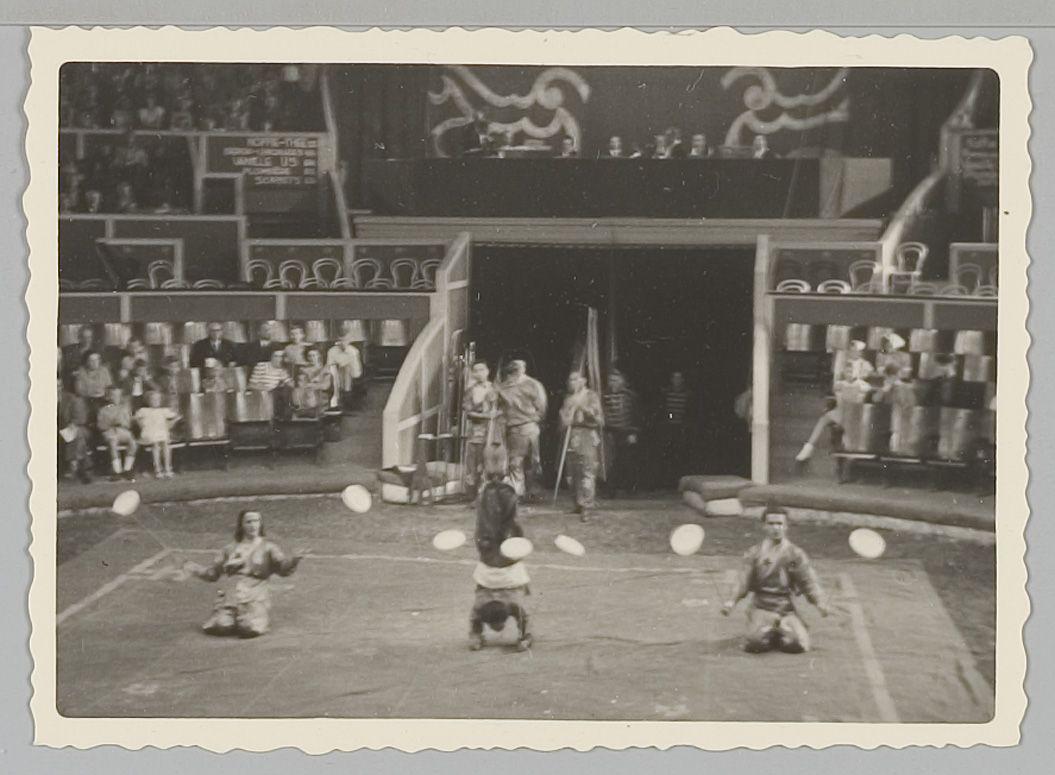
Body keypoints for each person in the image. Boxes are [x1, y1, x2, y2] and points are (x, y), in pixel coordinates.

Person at [183, 510, 306, 638]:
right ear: (241, 525)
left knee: (248, 628)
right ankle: (230, 618)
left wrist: (294, 560)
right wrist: (194, 569)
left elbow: (283, 569)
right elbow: (213, 573)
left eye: (256, 521)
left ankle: (250, 619)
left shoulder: (269, 548)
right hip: (231, 598)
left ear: (260, 524)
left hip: (255, 598)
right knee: (221, 626)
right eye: (248, 522)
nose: (253, 525)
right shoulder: (229, 549)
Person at [721, 506, 829, 653]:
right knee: (755, 644)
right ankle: (768, 629)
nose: (776, 528)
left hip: (786, 608)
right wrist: (731, 601)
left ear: (786, 526)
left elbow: (808, 581)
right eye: (771, 524)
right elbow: (742, 581)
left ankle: (784, 628)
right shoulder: (754, 553)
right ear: (764, 526)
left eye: (779, 523)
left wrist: (820, 602)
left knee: (796, 645)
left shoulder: (796, 554)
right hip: (761, 607)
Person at [468, 445, 532, 652]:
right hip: (494, 561)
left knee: (517, 607)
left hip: (500, 562)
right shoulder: (487, 494)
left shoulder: (499, 493)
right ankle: (476, 634)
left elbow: (512, 522)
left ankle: (524, 635)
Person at [795, 340, 874, 462]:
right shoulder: (843, 373)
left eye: (856, 350)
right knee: (824, 419)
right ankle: (808, 447)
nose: (853, 352)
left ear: (860, 352)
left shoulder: (865, 369)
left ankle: (851, 454)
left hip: (855, 412)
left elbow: (867, 387)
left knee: (851, 429)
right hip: (842, 409)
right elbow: (838, 392)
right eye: (851, 350)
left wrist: (859, 385)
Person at [497, 359, 548, 501]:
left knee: (527, 461)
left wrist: (534, 419)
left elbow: (541, 407)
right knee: (520, 461)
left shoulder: (532, 385)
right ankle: (521, 492)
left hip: (526, 426)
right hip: (518, 427)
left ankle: (528, 491)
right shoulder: (504, 387)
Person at [559, 371, 604, 519]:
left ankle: (587, 505)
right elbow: (563, 419)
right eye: (570, 380)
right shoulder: (568, 399)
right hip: (572, 436)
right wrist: (565, 418)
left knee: (587, 471)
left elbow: (599, 419)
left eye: (575, 379)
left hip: (587, 434)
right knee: (573, 473)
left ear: (583, 381)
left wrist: (583, 408)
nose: (572, 383)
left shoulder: (591, 396)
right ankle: (577, 503)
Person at [461, 359, 500, 501]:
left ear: (488, 371)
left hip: (494, 432)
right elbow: (468, 411)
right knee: (475, 464)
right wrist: (485, 416)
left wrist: (497, 414)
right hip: (476, 432)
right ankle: (474, 496)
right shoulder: (470, 391)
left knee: (492, 463)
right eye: (476, 371)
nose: (479, 373)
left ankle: (490, 495)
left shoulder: (496, 389)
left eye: (482, 370)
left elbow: (504, 408)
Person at [602, 369, 641, 496]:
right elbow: (604, 414)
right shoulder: (605, 395)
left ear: (622, 381)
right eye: (611, 380)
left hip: (626, 432)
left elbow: (636, 415)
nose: (612, 383)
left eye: (615, 380)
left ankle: (626, 488)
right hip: (612, 432)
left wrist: (633, 432)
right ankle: (612, 489)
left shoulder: (630, 396)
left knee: (624, 460)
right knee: (615, 460)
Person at [655, 371, 693, 487]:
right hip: (668, 427)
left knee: (680, 455)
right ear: (671, 380)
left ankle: (679, 482)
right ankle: (666, 482)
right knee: (667, 455)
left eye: (679, 378)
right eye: (675, 378)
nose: (677, 380)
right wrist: (671, 417)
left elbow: (689, 411)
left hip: (681, 428)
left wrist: (683, 421)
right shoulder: (666, 393)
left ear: (682, 380)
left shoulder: (687, 394)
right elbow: (665, 411)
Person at [134, 389, 180, 478]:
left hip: (161, 431)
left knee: (165, 444)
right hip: (149, 432)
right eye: (153, 400)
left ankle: (167, 468)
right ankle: (158, 469)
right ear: (148, 401)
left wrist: (172, 421)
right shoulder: (144, 410)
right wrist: (141, 424)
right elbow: (135, 418)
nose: (155, 401)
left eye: (157, 399)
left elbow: (175, 416)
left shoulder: (163, 410)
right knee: (155, 444)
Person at [97, 385, 138, 480]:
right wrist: (111, 423)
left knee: (133, 442)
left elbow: (129, 424)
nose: (116, 398)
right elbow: (100, 426)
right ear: (108, 397)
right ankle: (117, 471)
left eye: (118, 395)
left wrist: (124, 423)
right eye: (113, 395)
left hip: (123, 430)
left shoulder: (125, 408)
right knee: (112, 443)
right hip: (110, 431)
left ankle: (127, 469)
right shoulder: (103, 410)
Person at [58, 375, 93, 483]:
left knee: (77, 434)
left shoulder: (70, 398)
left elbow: (79, 418)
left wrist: (72, 424)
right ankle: (83, 468)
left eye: (59, 385)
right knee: (79, 436)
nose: (57, 388)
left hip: (68, 427)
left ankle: (74, 466)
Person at [326, 335, 363, 412]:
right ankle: (336, 400)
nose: (343, 343)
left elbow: (356, 371)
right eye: (340, 341)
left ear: (349, 341)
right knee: (334, 372)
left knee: (346, 369)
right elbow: (329, 365)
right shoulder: (332, 351)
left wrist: (342, 367)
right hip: (336, 374)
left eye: (345, 341)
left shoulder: (353, 351)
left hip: (351, 374)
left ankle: (345, 396)